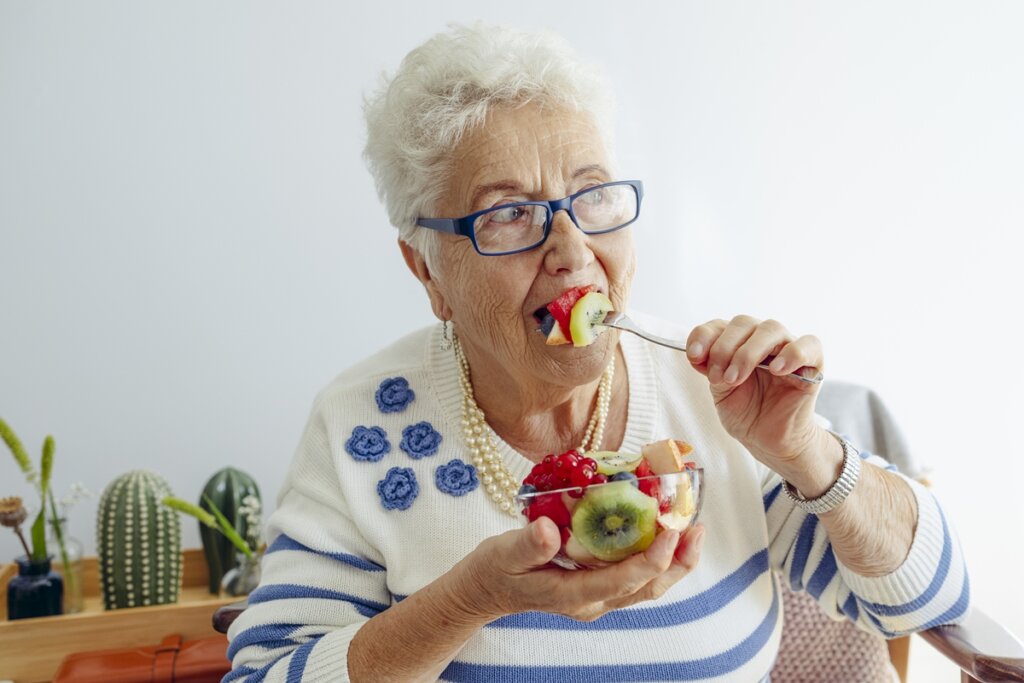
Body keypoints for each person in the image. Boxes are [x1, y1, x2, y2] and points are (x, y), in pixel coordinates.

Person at [224, 24, 968, 683]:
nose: (572, 250)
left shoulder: (714, 394)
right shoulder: (363, 427)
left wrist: (803, 449)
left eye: (593, 196)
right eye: (509, 213)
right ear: (428, 271)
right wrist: (472, 598)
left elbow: (933, 596)